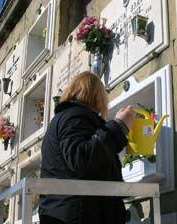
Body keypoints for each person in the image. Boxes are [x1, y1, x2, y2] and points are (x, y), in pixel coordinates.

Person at [39, 71, 135, 224]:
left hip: (64, 213)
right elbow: (82, 159)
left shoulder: (63, 118)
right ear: (98, 96)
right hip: (81, 215)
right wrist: (119, 126)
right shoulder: (75, 116)